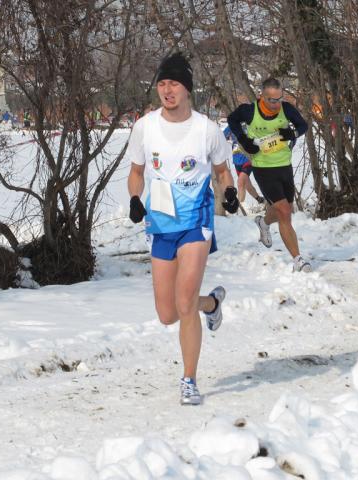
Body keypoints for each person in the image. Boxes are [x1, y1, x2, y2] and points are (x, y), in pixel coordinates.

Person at [126, 52, 239, 405]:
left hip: (196, 222)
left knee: (184, 302)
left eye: (174, 83)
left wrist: (231, 191)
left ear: (187, 89)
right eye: (162, 83)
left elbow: (222, 171)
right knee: (167, 313)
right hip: (161, 223)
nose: (167, 90)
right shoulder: (144, 127)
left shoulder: (206, 130)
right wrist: (134, 198)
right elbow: (136, 173)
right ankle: (212, 304)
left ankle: (189, 380)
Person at [227, 77, 310, 272]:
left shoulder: (286, 109)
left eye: (279, 99)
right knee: (284, 212)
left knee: (285, 209)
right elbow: (232, 119)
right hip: (263, 167)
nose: (276, 104)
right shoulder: (250, 111)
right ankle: (298, 259)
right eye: (271, 100)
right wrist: (244, 140)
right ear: (261, 96)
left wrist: (292, 134)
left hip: (284, 164)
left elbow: (303, 126)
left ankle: (263, 223)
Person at [223, 125, 265, 210]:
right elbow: (221, 137)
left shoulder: (250, 122)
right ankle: (260, 200)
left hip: (248, 158)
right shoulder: (232, 124)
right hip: (237, 160)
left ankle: (238, 208)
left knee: (240, 182)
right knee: (246, 184)